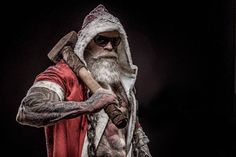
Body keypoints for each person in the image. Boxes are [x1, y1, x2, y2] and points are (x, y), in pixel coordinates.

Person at [16, 4, 151, 157]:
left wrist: (144, 152)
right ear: (86, 42)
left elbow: (134, 128)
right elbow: (27, 110)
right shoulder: (62, 75)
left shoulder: (121, 83)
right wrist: (88, 105)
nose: (109, 47)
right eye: (101, 40)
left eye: (115, 42)